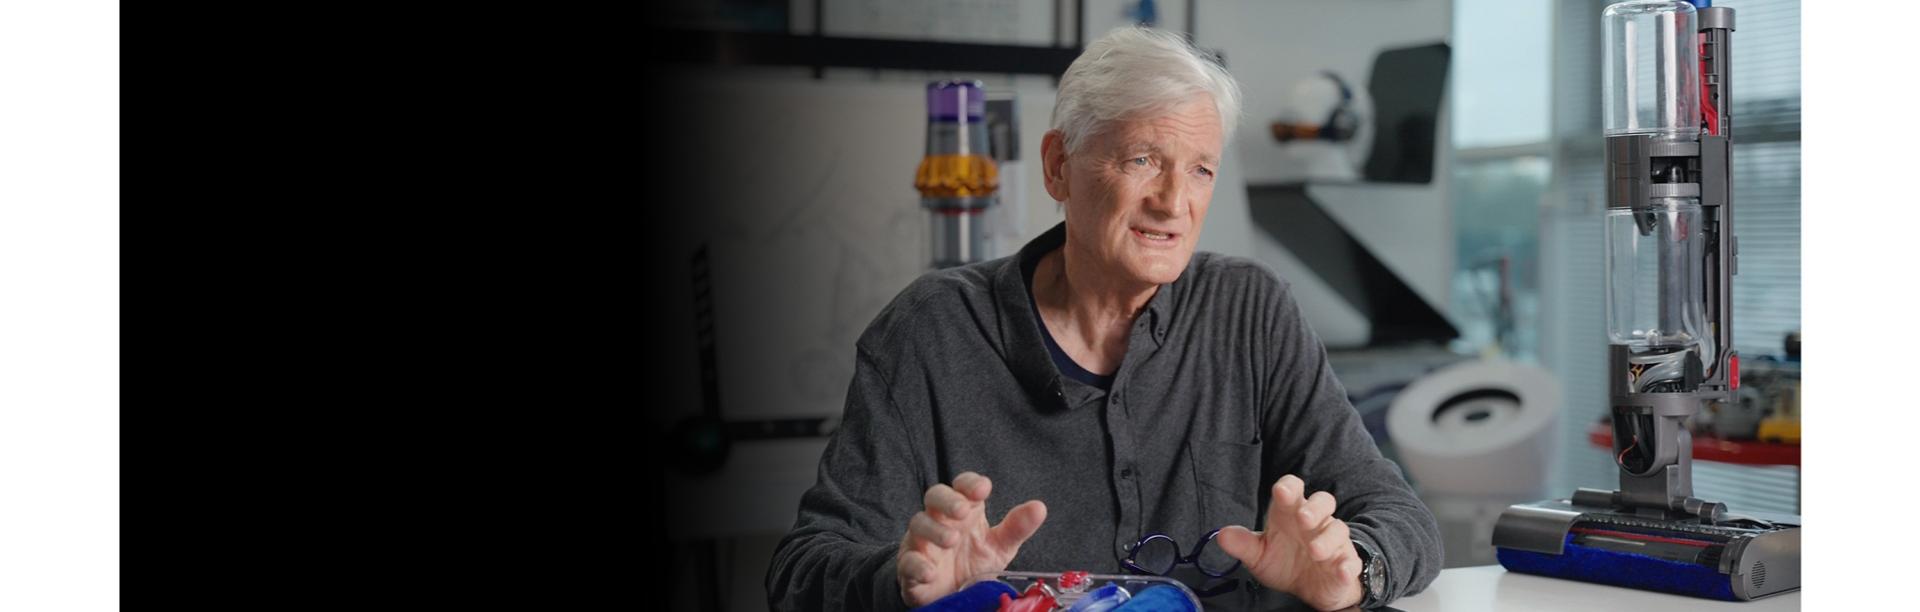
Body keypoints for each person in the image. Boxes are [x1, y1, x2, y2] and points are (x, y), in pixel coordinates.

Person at [766, 26, 1442, 611]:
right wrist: (904, 582)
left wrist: (1352, 570)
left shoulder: (1251, 312)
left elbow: (1402, 520)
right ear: (1060, 166)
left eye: (1201, 169)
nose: (1174, 202)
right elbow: (802, 572)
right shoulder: (928, 332)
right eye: (1143, 160)